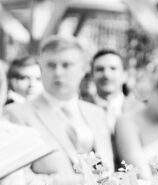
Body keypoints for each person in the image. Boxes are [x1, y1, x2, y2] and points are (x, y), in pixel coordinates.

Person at [2, 36, 114, 177]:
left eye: (66, 65)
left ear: (83, 69)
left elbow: (109, 169)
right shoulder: (15, 114)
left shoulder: (97, 114)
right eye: (51, 65)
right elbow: (17, 180)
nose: (58, 72)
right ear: (41, 68)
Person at [91, 49, 130, 130]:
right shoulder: (78, 111)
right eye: (100, 69)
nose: (106, 75)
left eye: (113, 68)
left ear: (124, 75)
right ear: (92, 76)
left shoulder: (140, 110)